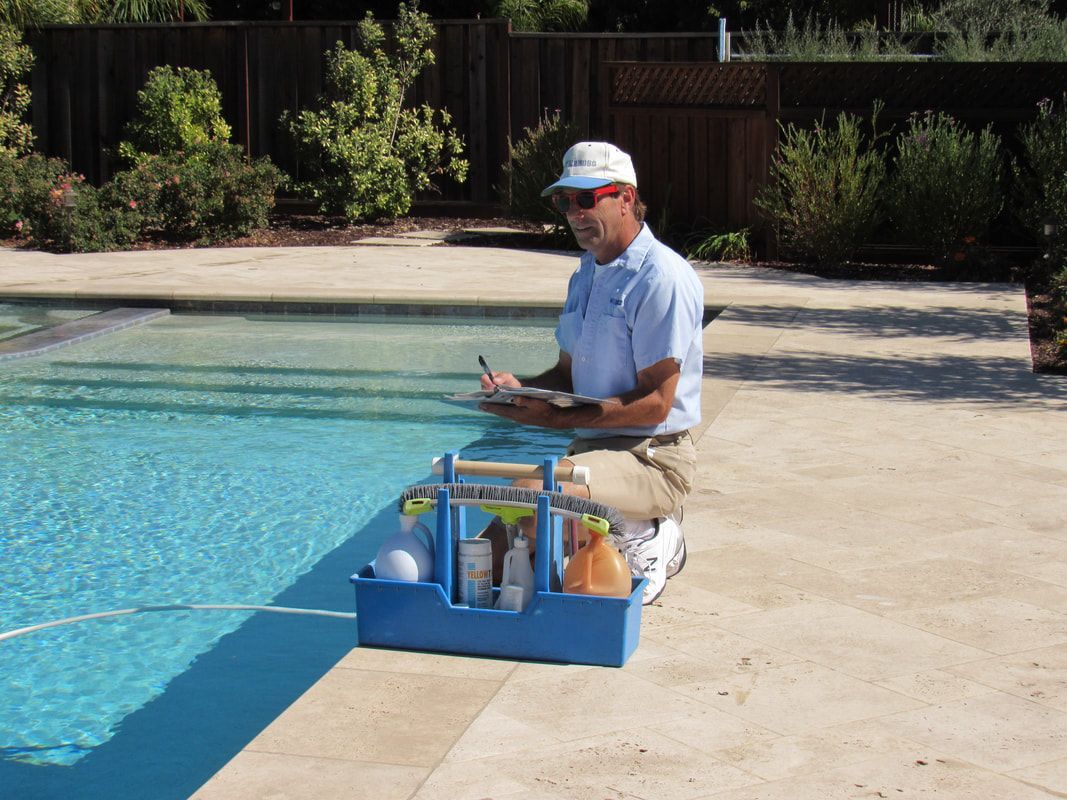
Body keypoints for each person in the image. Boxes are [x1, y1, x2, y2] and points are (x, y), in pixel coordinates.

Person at [477, 141, 704, 605]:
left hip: (653, 459)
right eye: (565, 201)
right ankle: (606, 528)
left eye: (586, 198)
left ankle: (650, 535)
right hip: (591, 450)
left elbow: (657, 402)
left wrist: (558, 419)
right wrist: (522, 391)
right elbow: (567, 375)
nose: (574, 213)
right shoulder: (586, 274)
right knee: (486, 560)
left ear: (625, 197)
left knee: (533, 499)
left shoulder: (661, 277)